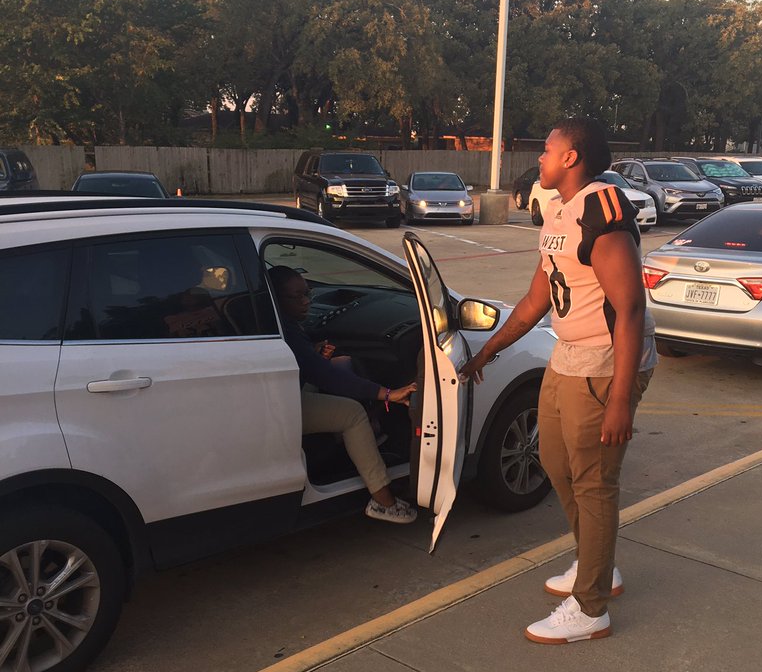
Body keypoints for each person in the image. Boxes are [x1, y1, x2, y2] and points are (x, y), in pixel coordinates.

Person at [460, 118, 657, 643]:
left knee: (593, 482)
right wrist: (489, 351)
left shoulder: (602, 208)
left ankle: (591, 606)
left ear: (572, 158)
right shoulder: (556, 210)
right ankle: (597, 562)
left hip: (604, 363)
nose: (541, 158)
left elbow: (631, 309)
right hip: (567, 354)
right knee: (554, 462)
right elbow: (536, 299)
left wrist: (620, 399)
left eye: (548, 150)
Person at [269, 266, 418, 525]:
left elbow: (315, 367)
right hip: (280, 402)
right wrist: (388, 394)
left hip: (281, 391)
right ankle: (383, 501)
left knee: (345, 362)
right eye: (296, 297)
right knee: (352, 414)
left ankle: (357, 442)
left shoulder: (279, 322)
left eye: (308, 293)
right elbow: (327, 377)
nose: (306, 301)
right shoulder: (288, 332)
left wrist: (313, 354)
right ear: (276, 298)